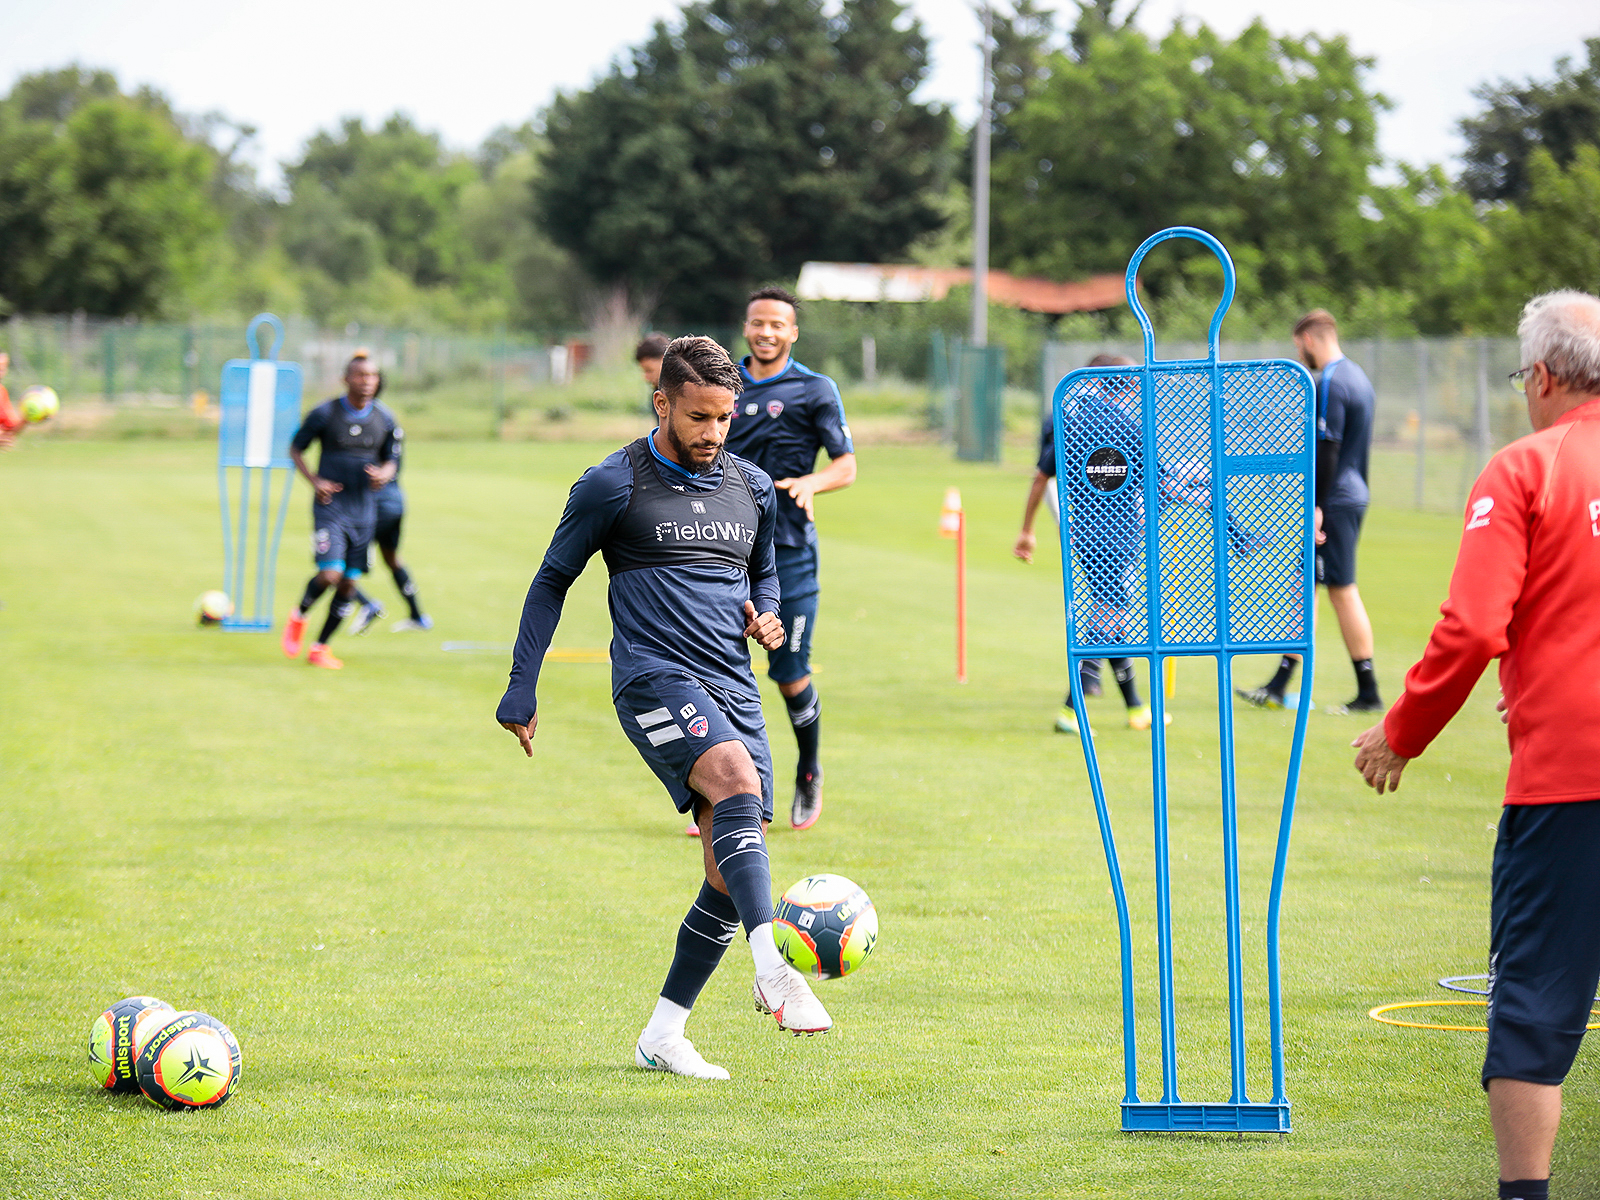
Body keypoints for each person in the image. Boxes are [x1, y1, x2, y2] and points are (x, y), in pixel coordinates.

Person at [496, 335, 832, 1080]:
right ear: (663, 403)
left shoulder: (749, 486)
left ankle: (663, 1033)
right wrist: (523, 683)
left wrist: (767, 617)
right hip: (653, 677)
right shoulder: (613, 483)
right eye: (698, 417)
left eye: (724, 418)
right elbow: (552, 578)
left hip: (733, 682)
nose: (713, 434)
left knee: (727, 862)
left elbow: (765, 573)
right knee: (736, 783)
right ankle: (773, 966)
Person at [1352, 291, 1600, 1200]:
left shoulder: (1528, 467)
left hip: (1573, 786)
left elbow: (1470, 628)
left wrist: (1400, 731)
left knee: (1533, 1008)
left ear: (1539, 375)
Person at [724, 286, 856, 832]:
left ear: (792, 332)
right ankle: (725, 791)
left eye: (777, 324)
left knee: (789, 672)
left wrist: (812, 482)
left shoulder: (814, 389)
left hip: (791, 554)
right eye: (758, 323)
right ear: (747, 326)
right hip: (722, 552)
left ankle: (807, 771)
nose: (766, 332)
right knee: (715, 674)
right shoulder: (722, 384)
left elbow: (846, 465)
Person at [1240, 309, 1381, 713]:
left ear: (1309, 340)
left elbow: (1329, 449)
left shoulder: (1332, 380)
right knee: (1310, 590)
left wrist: (1316, 506)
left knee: (1341, 590)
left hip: (1335, 500)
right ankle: (1280, 684)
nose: (1301, 355)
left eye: (1299, 347)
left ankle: (1368, 691)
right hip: (1349, 495)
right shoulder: (1359, 377)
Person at [1014, 354, 1158, 733]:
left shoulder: (1071, 425)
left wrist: (1027, 530)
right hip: (1123, 538)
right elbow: (1162, 483)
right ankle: (1072, 705)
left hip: (1084, 538)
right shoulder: (1135, 427)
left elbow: (1040, 477)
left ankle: (1137, 708)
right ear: (1125, 385)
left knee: (1111, 616)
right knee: (1109, 617)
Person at [281, 354, 398, 669]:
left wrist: (385, 474)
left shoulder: (385, 419)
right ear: (346, 379)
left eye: (372, 376)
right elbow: (295, 448)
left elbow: (392, 459)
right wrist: (314, 480)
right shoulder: (325, 414)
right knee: (331, 573)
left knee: (348, 583)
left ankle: (319, 648)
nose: (367, 381)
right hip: (331, 507)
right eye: (360, 375)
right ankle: (299, 616)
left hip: (365, 512)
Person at [347, 373, 432, 635]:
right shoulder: (388, 417)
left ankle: (367, 604)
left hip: (375, 504)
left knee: (336, 560)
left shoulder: (374, 421)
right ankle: (418, 616)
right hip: (395, 502)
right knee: (392, 557)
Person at [0, 353, 23, 450]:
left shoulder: (2, 393)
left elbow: (9, 430)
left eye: (4, 366)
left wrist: (28, 418)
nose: (1, 370)